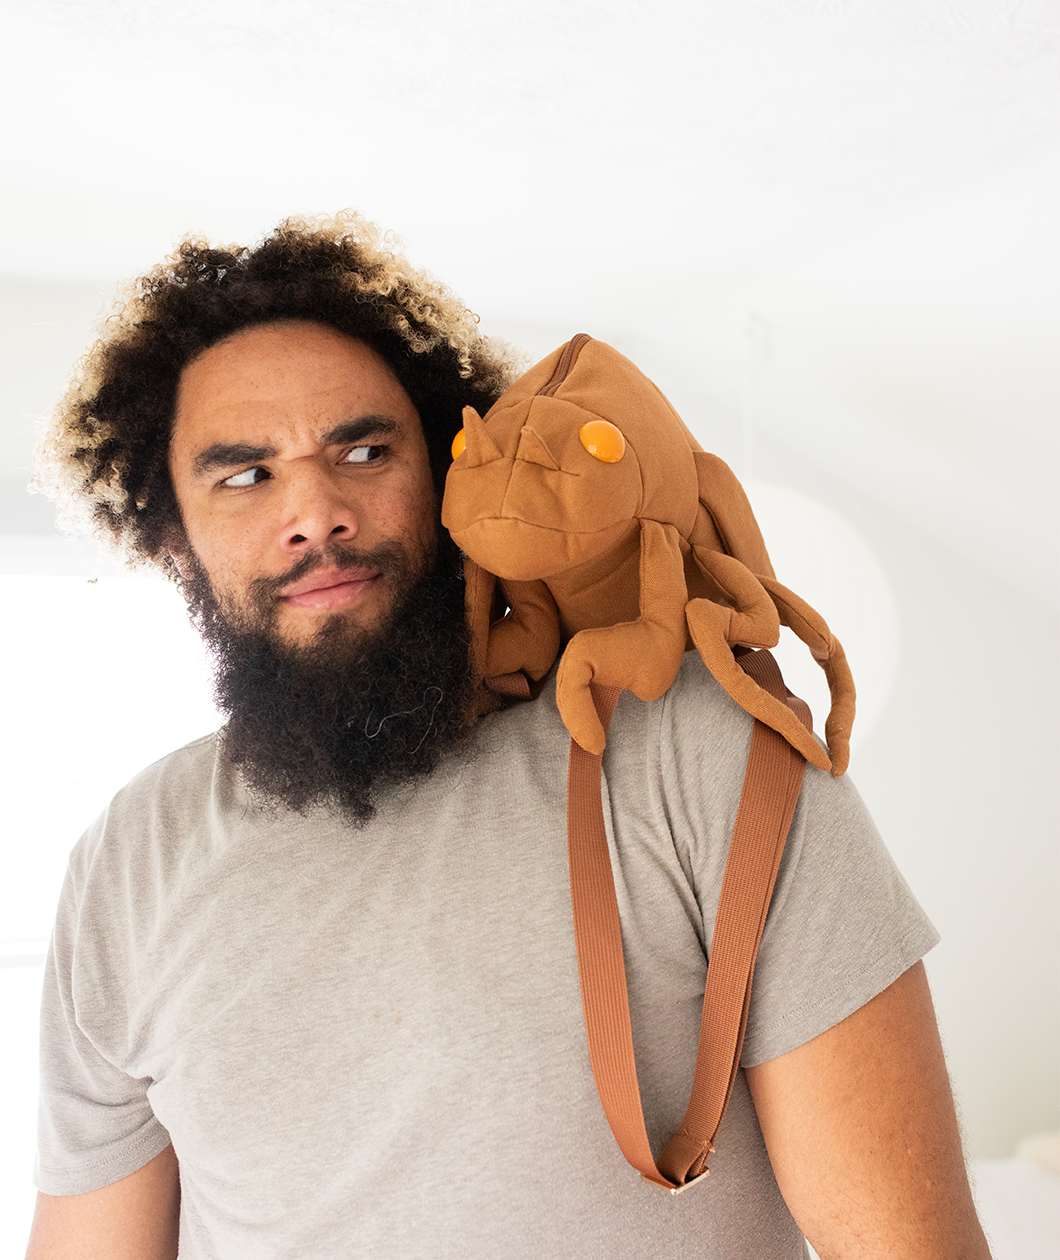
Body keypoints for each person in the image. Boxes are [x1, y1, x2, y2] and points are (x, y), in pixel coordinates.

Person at [26, 212, 990, 1259]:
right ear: (170, 532)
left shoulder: (696, 759)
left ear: (450, 472)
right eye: (245, 474)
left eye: (363, 449)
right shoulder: (127, 864)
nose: (316, 510)